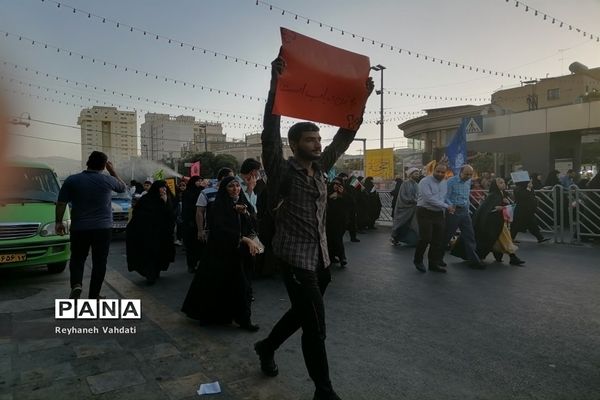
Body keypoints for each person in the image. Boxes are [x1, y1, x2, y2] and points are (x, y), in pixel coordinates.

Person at [253, 56, 373, 400]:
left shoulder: (322, 168)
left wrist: (361, 99)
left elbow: (346, 135)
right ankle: (324, 390)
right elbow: (269, 133)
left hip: (320, 260)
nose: (318, 144)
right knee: (316, 328)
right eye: (310, 140)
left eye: (318, 139)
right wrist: (276, 85)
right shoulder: (281, 170)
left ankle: (266, 346)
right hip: (294, 260)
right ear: (295, 145)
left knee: (304, 315)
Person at [181, 176, 261, 331]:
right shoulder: (218, 206)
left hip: (240, 254)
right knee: (223, 286)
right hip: (221, 253)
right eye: (231, 186)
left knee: (244, 286)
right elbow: (220, 229)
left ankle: (244, 319)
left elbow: (252, 224)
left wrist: (244, 213)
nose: (235, 189)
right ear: (224, 188)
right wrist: (243, 239)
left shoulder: (242, 203)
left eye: (238, 186)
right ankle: (224, 317)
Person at [55, 151, 127, 299]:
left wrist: (58, 222)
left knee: (77, 258)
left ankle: (76, 284)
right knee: (99, 262)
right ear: (103, 166)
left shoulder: (72, 180)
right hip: (103, 229)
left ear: (88, 162)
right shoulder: (108, 180)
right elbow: (122, 187)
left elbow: (61, 203)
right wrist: (112, 171)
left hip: (79, 228)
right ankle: (94, 295)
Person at [126, 180, 176, 284]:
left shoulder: (166, 198)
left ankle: (155, 272)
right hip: (147, 233)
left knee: (159, 253)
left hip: (161, 234)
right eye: (162, 188)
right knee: (149, 254)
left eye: (165, 188)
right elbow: (138, 214)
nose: (164, 190)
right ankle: (150, 274)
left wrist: (166, 202)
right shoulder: (145, 199)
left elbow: (170, 215)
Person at [442, 165, 486, 269]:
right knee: (447, 236)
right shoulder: (451, 181)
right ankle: (437, 258)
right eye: (466, 174)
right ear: (460, 172)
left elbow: (466, 197)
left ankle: (474, 260)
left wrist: (467, 210)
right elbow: (445, 197)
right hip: (453, 211)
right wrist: (450, 206)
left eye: (470, 174)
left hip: (464, 212)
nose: (469, 176)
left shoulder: (468, 182)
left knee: (470, 236)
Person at [472, 178, 525, 265]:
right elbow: (489, 208)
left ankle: (505, 257)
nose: (503, 184)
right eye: (500, 183)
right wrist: (499, 207)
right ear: (495, 185)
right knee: (504, 239)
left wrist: (505, 205)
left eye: (503, 182)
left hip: (498, 222)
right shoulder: (493, 195)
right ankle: (511, 257)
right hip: (492, 223)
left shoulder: (501, 194)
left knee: (500, 239)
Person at [413, 163, 453, 273]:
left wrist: (450, 205)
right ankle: (418, 260)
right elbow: (428, 199)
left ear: (445, 173)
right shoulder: (425, 182)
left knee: (437, 240)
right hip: (424, 211)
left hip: (438, 213)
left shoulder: (444, 183)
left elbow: (443, 198)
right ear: (433, 171)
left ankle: (433, 264)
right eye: (438, 171)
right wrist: (446, 206)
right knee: (425, 238)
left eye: (442, 172)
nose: (440, 174)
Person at [196, 167, 234, 243]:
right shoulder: (206, 192)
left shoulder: (232, 191)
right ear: (223, 178)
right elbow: (200, 212)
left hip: (231, 231)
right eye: (231, 177)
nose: (233, 180)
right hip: (212, 230)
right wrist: (200, 230)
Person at [390, 167, 420, 246]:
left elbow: (418, 195)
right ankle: (395, 238)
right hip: (404, 208)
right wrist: (411, 200)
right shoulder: (405, 183)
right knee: (400, 224)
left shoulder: (417, 184)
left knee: (411, 225)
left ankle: (408, 240)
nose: (417, 175)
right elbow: (402, 196)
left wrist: (417, 200)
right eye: (415, 174)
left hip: (413, 209)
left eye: (418, 174)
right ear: (411, 174)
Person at [181, 176, 204, 273]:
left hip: (201, 222)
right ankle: (191, 265)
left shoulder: (203, 192)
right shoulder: (187, 193)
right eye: (198, 181)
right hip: (190, 223)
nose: (200, 182)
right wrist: (189, 220)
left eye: (200, 180)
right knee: (191, 245)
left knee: (201, 245)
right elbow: (186, 208)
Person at [326, 178, 349, 267]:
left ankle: (342, 257)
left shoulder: (344, 194)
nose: (336, 185)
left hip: (340, 222)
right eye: (334, 183)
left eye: (338, 184)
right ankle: (334, 257)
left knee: (338, 239)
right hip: (329, 221)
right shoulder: (328, 193)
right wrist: (330, 197)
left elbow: (350, 203)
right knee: (331, 240)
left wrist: (342, 195)